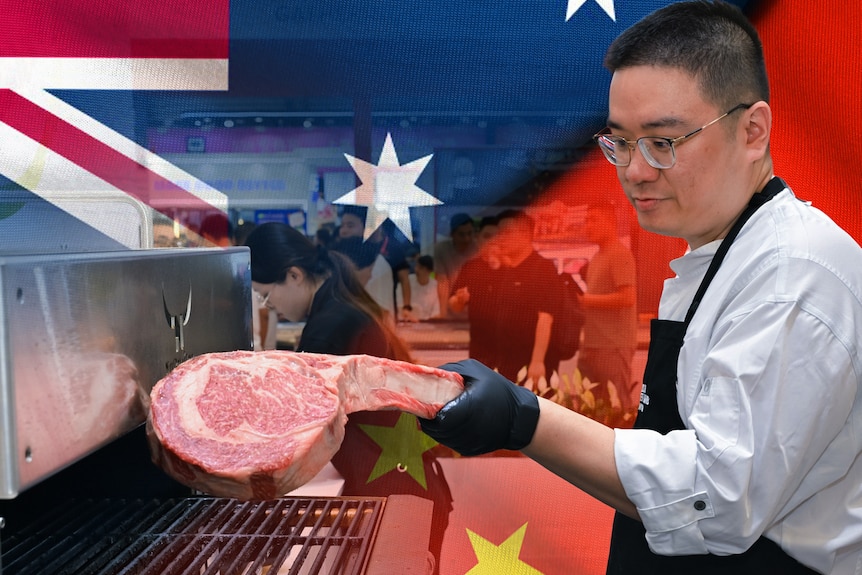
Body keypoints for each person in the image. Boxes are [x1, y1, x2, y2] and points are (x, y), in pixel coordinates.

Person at [420, 2, 862, 573]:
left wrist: (523, 419)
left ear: (753, 131)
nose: (634, 171)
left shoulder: (791, 276)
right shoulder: (721, 255)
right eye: (621, 142)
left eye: (663, 141)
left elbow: (715, 502)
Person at [244, 222, 451, 573]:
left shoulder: (330, 326)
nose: (270, 306)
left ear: (294, 275)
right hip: (407, 482)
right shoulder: (342, 303)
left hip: (394, 490)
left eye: (266, 294)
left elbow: (300, 426)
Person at [577, 203, 638, 425]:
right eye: (586, 221)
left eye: (593, 220)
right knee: (593, 407)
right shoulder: (597, 256)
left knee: (617, 408)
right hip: (592, 344)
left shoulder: (620, 254)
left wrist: (586, 301)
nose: (587, 226)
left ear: (610, 223)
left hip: (613, 345)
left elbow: (628, 297)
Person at [489, 209, 563, 385]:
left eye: (506, 232)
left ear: (526, 234)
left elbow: (545, 318)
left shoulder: (542, 269)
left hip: (531, 366)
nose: (501, 238)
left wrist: (537, 362)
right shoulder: (509, 270)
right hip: (507, 363)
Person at [449, 215, 501, 367]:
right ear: (478, 238)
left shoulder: (512, 267)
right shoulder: (471, 267)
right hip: (481, 344)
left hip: (512, 345)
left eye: (497, 236)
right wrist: (459, 299)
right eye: (487, 236)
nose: (492, 241)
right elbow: (454, 305)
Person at [433, 212, 477, 318]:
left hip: (476, 309)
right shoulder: (441, 250)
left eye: (470, 233)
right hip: (451, 306)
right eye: (462, 234)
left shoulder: (479, 248)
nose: (467, 239)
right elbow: (442, 282)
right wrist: (443, 312)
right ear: (452, 234)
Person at [396, 254, 440, 321]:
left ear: (430, 271)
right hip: (405, 321)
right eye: (417, 266)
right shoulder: (406, 283)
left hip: (427, 325)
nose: (417, 270)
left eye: (421, 268)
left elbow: (436, 312)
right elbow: (398, 306)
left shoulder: (436, 286)